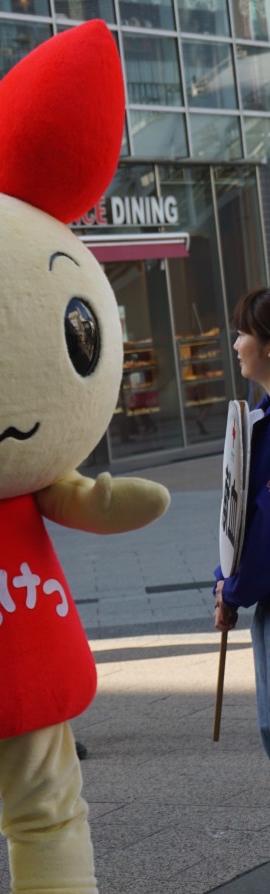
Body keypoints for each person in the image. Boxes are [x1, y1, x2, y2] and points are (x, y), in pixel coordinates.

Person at [214, 287, 270, 759]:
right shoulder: (258, 420)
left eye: (242, 332)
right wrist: (224, 581)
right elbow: (240, 514)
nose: (235, 344)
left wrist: (232, 590)